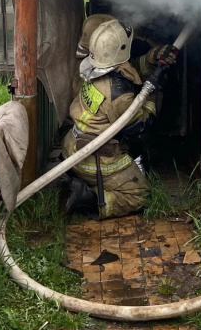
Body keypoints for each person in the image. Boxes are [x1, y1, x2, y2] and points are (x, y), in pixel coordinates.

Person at [61, 18, 178, 218]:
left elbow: (129, 69)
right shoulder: (119, 94)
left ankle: (79, 181)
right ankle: (88, 198)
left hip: (73, 146)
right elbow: (139, 126)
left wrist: (151, 57)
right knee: (139, 195)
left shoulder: (92, 68)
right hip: (95, 157)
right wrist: (152, 94)